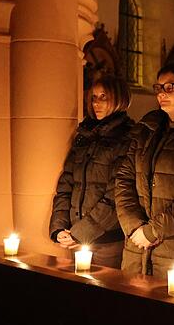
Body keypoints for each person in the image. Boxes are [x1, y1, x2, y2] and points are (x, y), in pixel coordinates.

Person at [113, 62, 174, 275]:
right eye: (159, 87)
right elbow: (124, 178)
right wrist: (135, 227)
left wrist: (153, 231)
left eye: (170, 87)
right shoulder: (147, 129)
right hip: (136, 244)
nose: (162, 93)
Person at [49, 75, 134, 268]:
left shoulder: (127, 137)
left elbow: (116, 195)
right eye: (94, 98)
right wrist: (59, 228)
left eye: (103, 97)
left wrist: (81, 233)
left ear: (119, 98)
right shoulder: (84, 136)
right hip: (74, 236)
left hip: (107, 240)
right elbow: (66, 184)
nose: (97, 103)